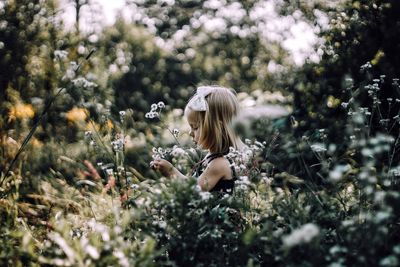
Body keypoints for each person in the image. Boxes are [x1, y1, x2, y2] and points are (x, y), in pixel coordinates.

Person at [150, 85, 245, 194]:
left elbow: (193, 191)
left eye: (195, 127)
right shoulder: (215, 157)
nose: (190, 133)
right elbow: (194, 183)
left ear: (216, 129)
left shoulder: (220, 164)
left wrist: (171, 172)